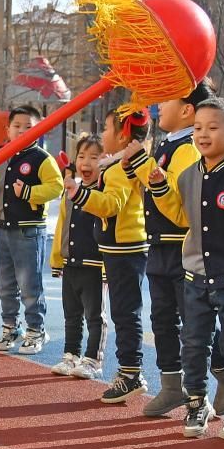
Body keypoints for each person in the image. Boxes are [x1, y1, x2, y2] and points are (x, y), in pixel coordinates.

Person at [148, 97, 224, 440]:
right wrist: (159, 188)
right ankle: (196, 402)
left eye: (213, 128)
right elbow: (183, 217)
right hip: (196, 274)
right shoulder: (187, 176)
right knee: (194, 342)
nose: (203, 134)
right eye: (198, 128)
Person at [123, 79, 224, 416]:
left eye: (166, 99)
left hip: (182, 250)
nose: (157, 106)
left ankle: (219, 380)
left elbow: (182, 211)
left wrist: (144, 169)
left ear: (187, 111)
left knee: (195, 323)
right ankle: (172, 386)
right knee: (163, 320)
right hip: (159, 247)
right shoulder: (167, 145)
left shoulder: (187, 149)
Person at [66, 109, 149, 401]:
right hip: (119, 248)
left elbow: (112, 204)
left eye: (107, 130)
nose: (102, 135)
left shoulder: (120, 168)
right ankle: (130, 370)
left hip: (125, 250)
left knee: (125, 312)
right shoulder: (114, 166)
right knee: (123, 311)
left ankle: (130, 372)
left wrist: (80, 195)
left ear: (123, 135)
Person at [0, 105, 62, 355]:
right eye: (17, 126)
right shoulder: (2, 156)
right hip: (4, 228)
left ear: (40, 130)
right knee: (5, 284)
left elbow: (55, 187)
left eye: (29, 127)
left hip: (28, 230)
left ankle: (36, 330)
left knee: (29, 283)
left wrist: (29, 194)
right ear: (8, 129)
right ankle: (10, 326)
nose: (22, 130)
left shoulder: (41, 159)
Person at [50, 134, 106, 379]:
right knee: (71, 314)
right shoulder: (72, 191)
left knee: (95, 315)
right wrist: (57, 258)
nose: (87, 162)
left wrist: (107, 266)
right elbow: (62, 225)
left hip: (94, 264)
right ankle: (70, 354)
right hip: (71, 262)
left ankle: (93, 358)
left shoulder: (103, 193)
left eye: (95, 157)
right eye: (82, 156)